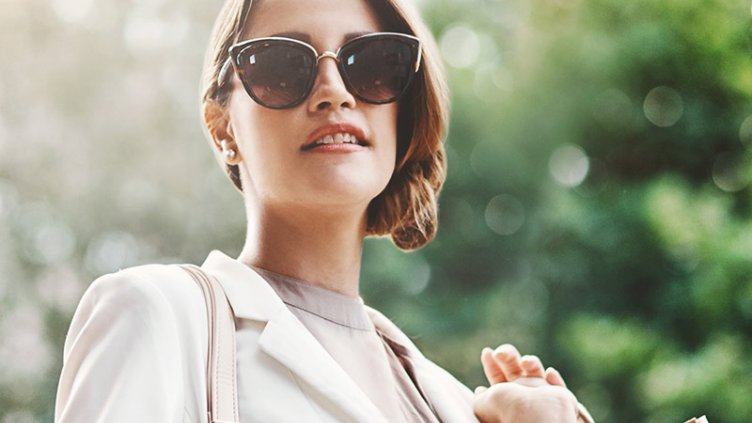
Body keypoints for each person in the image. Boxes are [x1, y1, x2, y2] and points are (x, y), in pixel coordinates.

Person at [54, 0, 593, 421]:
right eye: (282, 65)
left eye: (374, 64)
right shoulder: (157, 317)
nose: (334, 92)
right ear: (224, 130)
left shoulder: (448, 401)